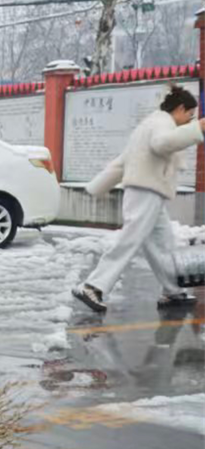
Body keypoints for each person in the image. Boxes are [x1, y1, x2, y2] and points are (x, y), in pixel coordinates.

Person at [72, 86, 199, 317]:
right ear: (180, 109)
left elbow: (124, 160)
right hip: (146, 190)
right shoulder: (162, 124)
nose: (188, 120)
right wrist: (197, 129)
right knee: (131, 240)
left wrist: (97, 186)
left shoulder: (149, 124)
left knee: (163, 245)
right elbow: (162, 144)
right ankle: (93, 286)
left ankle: (173, 291)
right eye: (189, 115)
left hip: (148, 190)